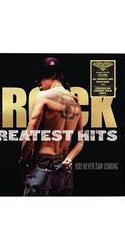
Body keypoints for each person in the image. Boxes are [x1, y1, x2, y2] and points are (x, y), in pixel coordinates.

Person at [19, 57, 83, 195]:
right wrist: (69, 159)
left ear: (53, 74)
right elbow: (80, 141)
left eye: (40, 77)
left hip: (41, 167)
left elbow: (30, 133)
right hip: (64, 170)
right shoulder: (76, 102)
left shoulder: (43, 96)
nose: (37, 82)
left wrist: (23, 159)